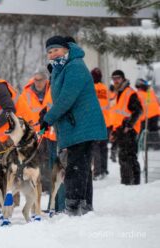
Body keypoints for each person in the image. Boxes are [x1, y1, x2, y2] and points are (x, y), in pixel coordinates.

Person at [41, 35, 107, 216]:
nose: (52, 54)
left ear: (66, 49)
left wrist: (48, 118)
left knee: (75, 167)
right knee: (81, 167)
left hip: (82, 125)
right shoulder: (60, 68)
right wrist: (45, 115)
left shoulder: (75, 66)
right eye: (49, 51)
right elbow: (57, 98)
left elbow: (66, 99)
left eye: (56, 50)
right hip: (74, 125)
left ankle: (72, 208)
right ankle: (84, 207)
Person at [20, 69, 65, 213]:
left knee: (54, 168)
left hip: (52, 135)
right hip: (34, 136)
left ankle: (57, 204)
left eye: (40, 80)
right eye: (35, 80)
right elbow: (21, 113)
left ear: (46, 80)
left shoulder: (53, 90)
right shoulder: (26, 93)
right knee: (38, 169)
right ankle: (40, 202)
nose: (37, 83)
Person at [110, 70, 142, 185]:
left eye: (118, 78)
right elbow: (117, 115)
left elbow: (138, 110)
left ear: (123, 78)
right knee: (123, 157)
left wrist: (129, 125)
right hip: (120, 130)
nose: (115, 81)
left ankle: (132, 183)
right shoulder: (118, 93)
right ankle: (127, 182)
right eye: (113, 78)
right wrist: (114, 131)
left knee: (130, 157)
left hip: (129, 130)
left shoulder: (130, 92)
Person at [91, 68, 111, 180]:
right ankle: (104, 170)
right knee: (103, 147)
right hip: (106, 123)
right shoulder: (105, 89)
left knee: (95, 148)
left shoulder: (90, 88)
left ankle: (97, 172)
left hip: (95, 123)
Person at [135, 78, 160, 145]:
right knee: (153, 132)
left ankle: (145, 146)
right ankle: (154, 145)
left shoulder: (140, 94)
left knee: (144, 133)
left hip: (147, 117)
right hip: (152, 116)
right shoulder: (149, 92)